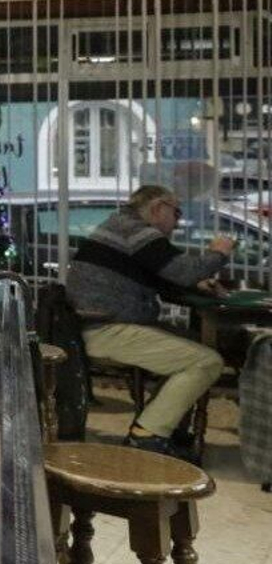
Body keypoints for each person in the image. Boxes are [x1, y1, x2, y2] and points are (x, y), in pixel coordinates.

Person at [65, 185, 235, 460]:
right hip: (104, 329)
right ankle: (147, 435)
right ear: (157, 208)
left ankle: (170, 425)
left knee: (192, 342)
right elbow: (181, 271)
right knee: (207, 361)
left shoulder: (123, 228)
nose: (178, 221)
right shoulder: (136, 231)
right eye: (176, 212)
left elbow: (165, 280)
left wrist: (198, 284)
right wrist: (219, 253)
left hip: (100, 325)